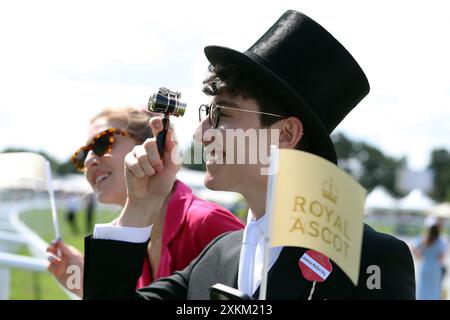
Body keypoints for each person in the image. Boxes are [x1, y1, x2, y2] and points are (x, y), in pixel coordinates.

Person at [83, 10, 415, 300]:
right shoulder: (215, 256)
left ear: (285, 134)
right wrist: (140, 205)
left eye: (222, 116)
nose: (200, 134)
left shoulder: (370, 259)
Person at [47, 106, 243, 297]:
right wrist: (90, 286)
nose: (89, 160)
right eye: (82, 156)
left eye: (102, 142)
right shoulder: (133, 239)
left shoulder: (206, 222)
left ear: (153, 144)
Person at [413, 217, 447, 300]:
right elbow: (442, 256)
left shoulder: (423, 239)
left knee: (423, 288)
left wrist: (420, 256)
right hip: (435, 267)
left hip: (425, 265)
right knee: (434, 289)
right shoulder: (441, 241)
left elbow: (413, 248)